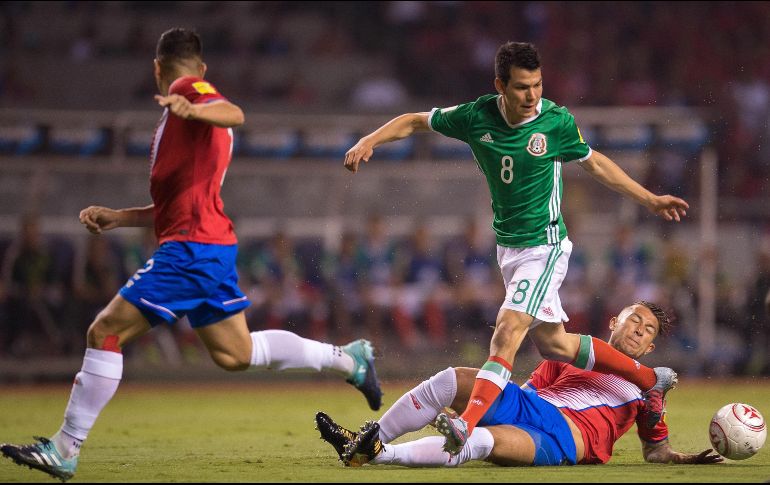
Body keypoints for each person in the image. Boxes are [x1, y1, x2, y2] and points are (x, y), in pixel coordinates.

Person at [0, 28, 382, 483]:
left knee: (104, 331)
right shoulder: (181, 124)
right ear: (200, 66)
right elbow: (175, 205)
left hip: (191, 250)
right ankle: (349, 359)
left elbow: (234, 112)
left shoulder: (187, 93)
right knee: (235, 353)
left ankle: (65, 447)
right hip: (206, 246)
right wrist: (119, 217)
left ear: (160, 69)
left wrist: (191, 103)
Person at [343, 41, 689, 453]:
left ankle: (465, 425)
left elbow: (594, 162)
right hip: (509, 249)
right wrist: (370, 140)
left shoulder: (556, 121)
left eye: (537, 85)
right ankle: (652, 378)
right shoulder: (476, 116)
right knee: (555, 345)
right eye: (522, 87)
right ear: (500, 86)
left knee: (507, 331)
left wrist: (649, 199)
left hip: (546, 246)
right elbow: (417, 121)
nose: (532, 96)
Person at [316, 301, 723, 468]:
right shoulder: (575, 353)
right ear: (615, 322)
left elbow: (655, 449)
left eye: (647, 329)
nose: (638, 328)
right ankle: (370, 441)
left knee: (484, 442)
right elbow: (528, 391)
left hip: (569, 443)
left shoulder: (649, 391)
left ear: (650, 347)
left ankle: (378, 454)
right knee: (453, 380)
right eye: (633, 318)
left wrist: (684, 458)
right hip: (539, 410)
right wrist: (472, 409)